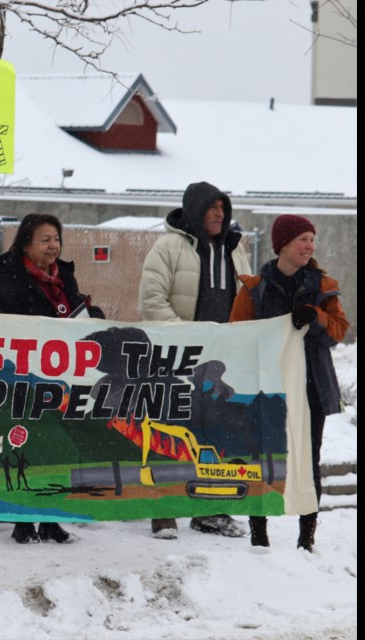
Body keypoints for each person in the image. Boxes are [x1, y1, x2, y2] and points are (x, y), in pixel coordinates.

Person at [137, 181, 251, 540]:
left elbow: (246, 301)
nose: (219, 213)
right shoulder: (168, 246)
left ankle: (210, 511)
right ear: (195, 210)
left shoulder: (235, 249)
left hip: (220, 362)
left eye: (223, 207)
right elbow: (151, 302)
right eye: (212, 207)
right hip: (176, 359)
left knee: (214, 437)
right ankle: (163, 511)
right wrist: (187, 341)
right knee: (168, 435)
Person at [229, 214, 349, 551]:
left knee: (309, 460)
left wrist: (317, 317)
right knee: (260, 459)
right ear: (283, 244)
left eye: (313, 239)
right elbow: (237, 334)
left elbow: (338, 331)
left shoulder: (323, 286)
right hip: (266, 389)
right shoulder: (254, 288)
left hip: (312, 387)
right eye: (303, 239)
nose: (310, 246)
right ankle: (259, 535)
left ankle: (306, 538)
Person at [0, 213, 105, 544]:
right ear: (26, 242)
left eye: (56, 239)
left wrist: (91, 316)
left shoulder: (65, 275)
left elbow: (74, 311)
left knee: (58, 445)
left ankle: (52, 515)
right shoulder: (7, 275)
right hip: (24, 375)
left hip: (61, 376)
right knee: (25, 444)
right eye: (45, 239)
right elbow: (2, 320)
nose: (53, 246)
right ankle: (22, 517)